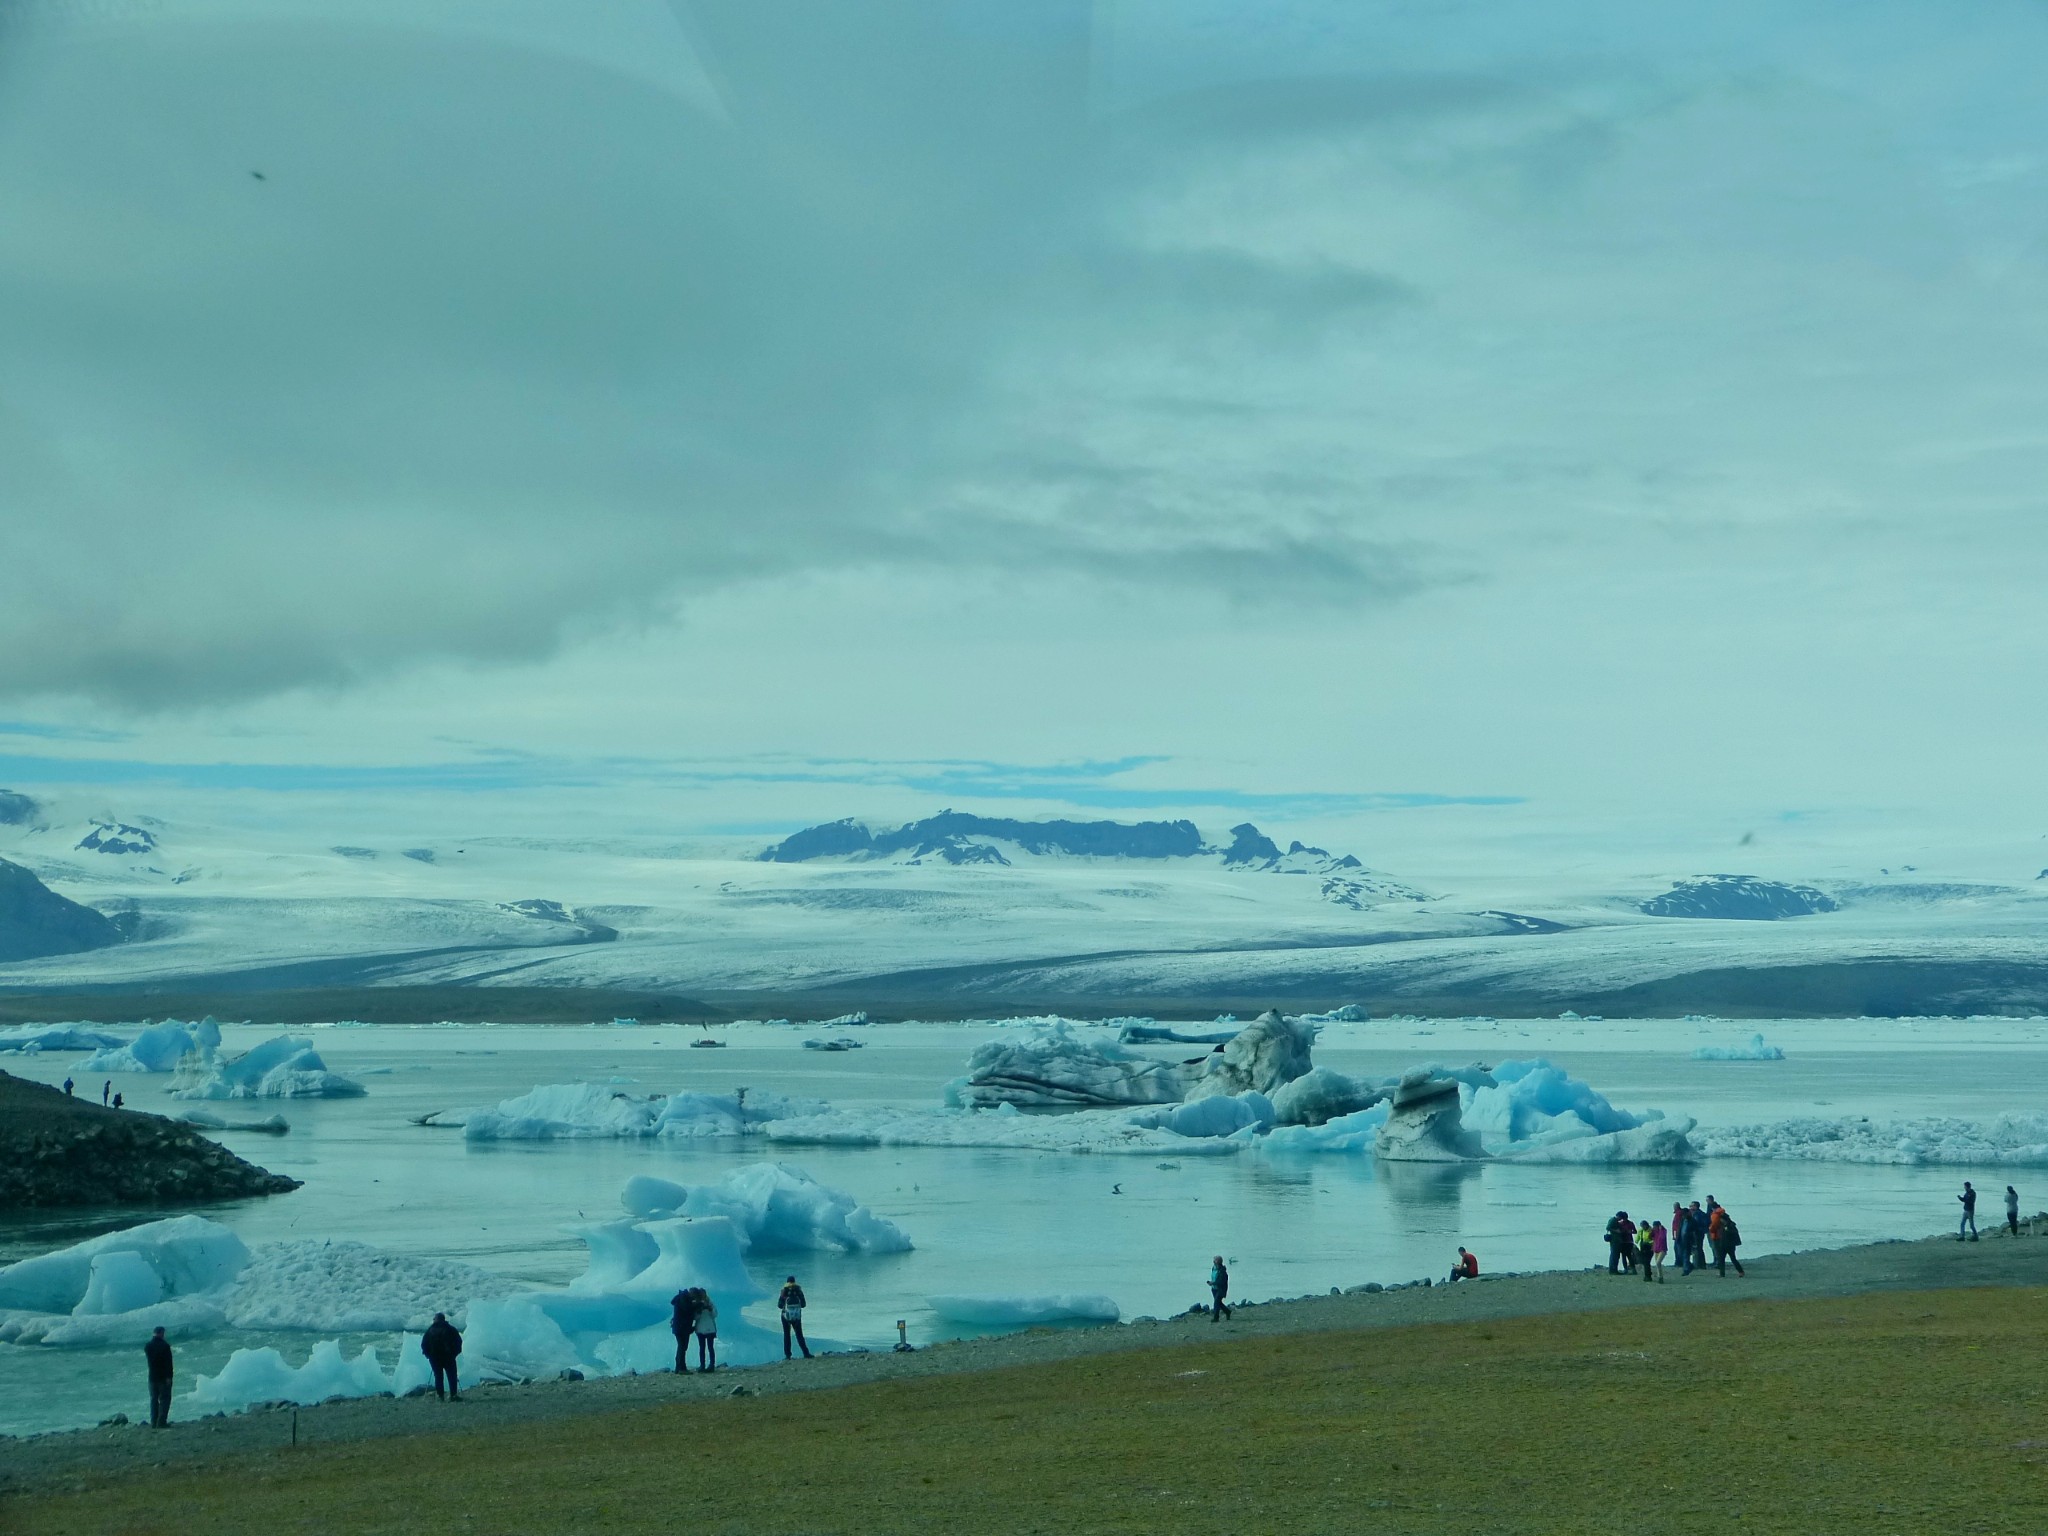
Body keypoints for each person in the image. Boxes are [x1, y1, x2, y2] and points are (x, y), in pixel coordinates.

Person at [420, 1312, 463, 1400]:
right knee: (452, 1376)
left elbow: (424, 1344)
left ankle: (440, 1395)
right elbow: (459, 1342)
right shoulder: (451, 1329)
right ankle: (453, 1395)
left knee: (438, 1376)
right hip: (448, 1357)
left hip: (435, 1358)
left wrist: (428, 1355)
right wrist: (454, 1354)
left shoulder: (430, 1330)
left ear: (436, 1319)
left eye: (434, 1319)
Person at [144, 1326, 174, 1428]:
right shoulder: (165, 1346)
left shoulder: (148, 1346)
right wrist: (169, 1377)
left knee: (153, 1399)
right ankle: (161, 1422)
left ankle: (153, 1421)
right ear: (161, 1333)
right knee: (165, 1399)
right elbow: (169, 1364)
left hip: (152, 1377)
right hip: (163, 1377)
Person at [778, 1275, 812, 1360]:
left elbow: (779, 1305)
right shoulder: (798, 1290)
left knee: (787, 1335)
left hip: (785, 1316)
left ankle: (788, 1355)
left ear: (787, 1282)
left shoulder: (784, 1291)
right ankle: (806, 1353)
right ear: (794, 1281)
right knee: (799, 1335)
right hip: (797, 1317)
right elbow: (804, 1305)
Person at [670, 1288, 699, 1373]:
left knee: (681, 1347)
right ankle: (681, 1368)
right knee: (682, 1347)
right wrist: (697, 1305)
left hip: (679, 1327)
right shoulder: (684, 1299)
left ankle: (679, 1367)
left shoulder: (681, 1298)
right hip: (682, 1328)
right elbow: (687, 1310)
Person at [693, 1288, 719, 1371]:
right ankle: (702, 1365)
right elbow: (695, 1317)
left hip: (709, 1328)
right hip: (701, 1329)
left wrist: (710, 1309)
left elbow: (715, 1314)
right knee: (702, 1348)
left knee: (710, 1347)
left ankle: (711, 1365)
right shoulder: (697, 1304)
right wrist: (700, 1311)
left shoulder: (710, 1303)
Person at [1208, 1256, 1232, 1322]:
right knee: (1218, 1303)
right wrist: (1211, 1283)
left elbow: (1221, 1282)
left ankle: (1216, 1318)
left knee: (1216, 1302)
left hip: (1221, 1289)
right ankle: (1227, 1311)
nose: (1213, 1261)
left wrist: (1213, 1283)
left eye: (1215, 1260)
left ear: (1218, 1262)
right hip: (1214, 1289)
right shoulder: (1213, 1269)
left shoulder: (1222, 1271)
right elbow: (1214, 1278)